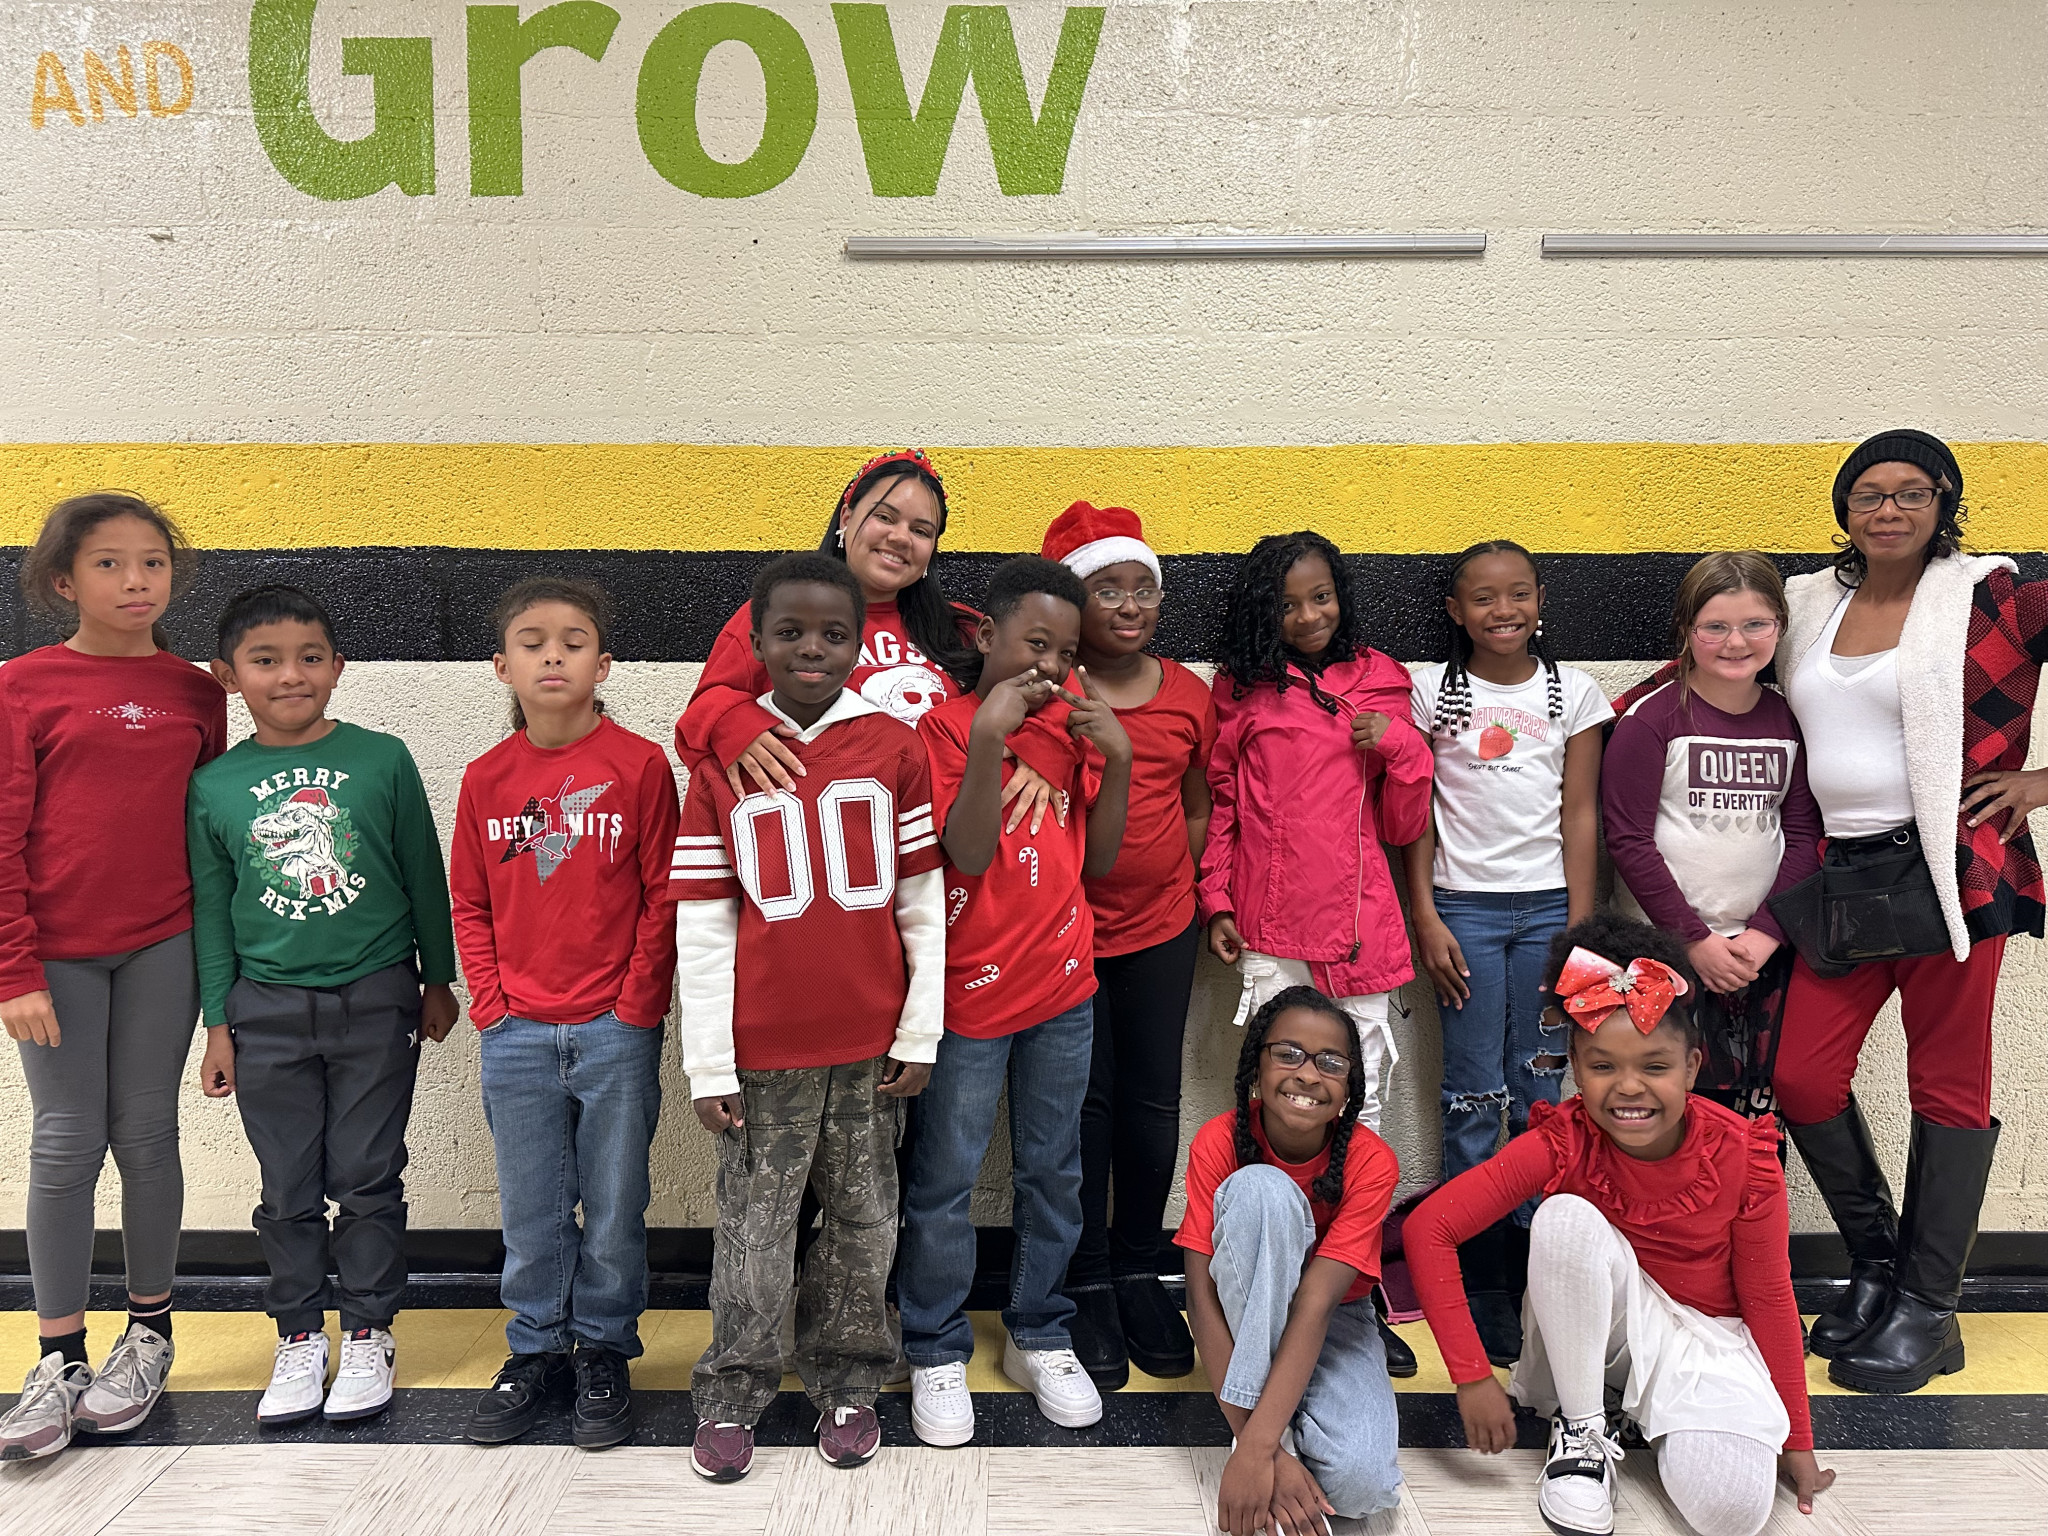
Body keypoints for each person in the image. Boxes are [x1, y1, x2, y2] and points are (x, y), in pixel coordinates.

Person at [1406, 915, 1834, 1536]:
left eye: (1655, 1067)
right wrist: (1471, 1375)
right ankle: (1583, 1428)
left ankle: (1647, 1415)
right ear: (1576, 1070)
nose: (1629, 1088)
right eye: (1603, 1066)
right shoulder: (1564, 1138)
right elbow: (1429, 1228)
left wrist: (1797, 1435)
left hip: (1703, 1338)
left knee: (1732, 1512)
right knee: (1564, 1219)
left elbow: (1768, 1294)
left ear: (1691, 1067)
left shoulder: (1742, 1152)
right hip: (1595, 1333)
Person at [1772, 430, 2047, 1394]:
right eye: (1868, 494)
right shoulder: (1807, 601)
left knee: (1947, 1085)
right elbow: (1716, 665)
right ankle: (1881, 1265)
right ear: (1843, 508)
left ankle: (1930, 1309)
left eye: (1912, 492)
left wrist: (2041, 782)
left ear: (1945, 502)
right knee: (1800, 1074)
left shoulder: (1994, 594)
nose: (1888, 510)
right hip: (1840, 881)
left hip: (1952, 875)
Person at [672, 553, 944, 1481]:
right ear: (756, 643)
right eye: (790, 632)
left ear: (860, 642)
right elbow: (705, 922)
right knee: (756, 1232)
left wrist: (919, 1030)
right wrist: (709, 1063)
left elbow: (920, 902)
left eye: (833, 633)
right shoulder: (724, 762)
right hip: (763, 1055)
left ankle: (850, 1379)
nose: (812, 649)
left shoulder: (894, 747)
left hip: (870, 1049)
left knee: (865, 1226)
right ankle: (733, 1389)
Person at [185, 585, 459, 1426]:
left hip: (377, 998)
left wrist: (438, 977)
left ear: (338, 667)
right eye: (266, 661)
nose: (290, 676)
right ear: (228, 676)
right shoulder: (214, 786)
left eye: (309, 658)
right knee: (288, 1186)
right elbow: (211, 910)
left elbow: (422, 870)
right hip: (264, 1013)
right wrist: (218, 1024)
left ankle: (369, 1330)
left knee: (368, 1175)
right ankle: (300, 1334)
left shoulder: (383, 759)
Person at [0, 493, 226, 1461]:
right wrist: (14, 968)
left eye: (153, 563)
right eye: (109, 564)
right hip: (55, 954)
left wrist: (221, 988)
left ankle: (149, 1336)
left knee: (146, 1133)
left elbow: (212, 834)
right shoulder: (22, 686)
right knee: (64, 1142)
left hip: (162, 944)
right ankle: (58, 1356)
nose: (136, 580)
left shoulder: (197, 694)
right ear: (63, 581)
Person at [899, 556, 1133, 1447]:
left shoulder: (1073, 732)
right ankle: (933, 1342)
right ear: (987, 635)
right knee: (945, 1177)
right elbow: (964, 853)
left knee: (1054, 1170)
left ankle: (1041, 1328)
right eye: (1037, 644)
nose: (1053, 665)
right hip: (967, 994)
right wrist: (991, 742)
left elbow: (1099, 862)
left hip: (1064, 988)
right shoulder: (944, 728)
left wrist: (1118, 759)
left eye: (1068, 652)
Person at [451, 578, 679, 1450]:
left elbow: (662, 895)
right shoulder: (486, 778)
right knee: (532, 1208)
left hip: (615, 1031)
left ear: (603, 664)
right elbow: (470, 901)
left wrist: (635, 1005)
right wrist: (492, 1005)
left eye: (574, 641)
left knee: (615, 1206)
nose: (554, 655)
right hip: (516, 1032)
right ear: (501, 666)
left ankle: (604, 1351)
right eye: (533, 642)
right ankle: (536, 1350)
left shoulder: (640, 767)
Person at [1404, 539, 1611, 1366]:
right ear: (1455, 611)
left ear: (1541, 599)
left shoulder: (1576, 693)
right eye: (1483, 597)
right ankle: (1477, 1271)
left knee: (1541, 1087)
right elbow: (1415, 810)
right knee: (1471, 1093)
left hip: (1550, 913)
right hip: (1464, 912)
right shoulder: (1430, 692)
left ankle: (1536, 1266)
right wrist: (1426, 913)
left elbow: (1581, 814)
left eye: (1518, 593)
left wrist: (1579, 931)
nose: (1503, 610)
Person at [1039, 501, 1215, 1391]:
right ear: (1074, 602)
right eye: (1107, 588)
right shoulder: (1051, 694)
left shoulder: (1188, 696)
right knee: (1084, 1106)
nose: (1130, 604)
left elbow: (1197, 803)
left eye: (1143, 587)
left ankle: (1141, 1268)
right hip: (1065, 934)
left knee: (1151, 1101)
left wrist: (1186, 890)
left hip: (1163, 928)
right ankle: (1088, 1275)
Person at [674, 448, 1056, 827]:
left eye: (921, 531)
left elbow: (1054, 681)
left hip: (946, 845)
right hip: (831, 840)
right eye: (885, 517)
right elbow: (706, 707)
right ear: (847, 517)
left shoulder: (965, 629)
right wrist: (739, 730)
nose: (900, 537)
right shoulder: (780, 613)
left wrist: (1044, 752)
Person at [1200, 531, 1432, 1134]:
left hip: (1360, 922)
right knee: (1278, 1098)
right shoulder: (1241, 688)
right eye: (1286, 604)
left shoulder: (1382, 681)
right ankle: (1279, 1200)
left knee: (1361, 1096)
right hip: (1269, 923)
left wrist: (1404, 748)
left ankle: (1357, 1202)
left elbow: (1402, 825)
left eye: (1320, 597)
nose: (1308, 617)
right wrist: (1216, 900)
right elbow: (1226, 805)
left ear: (1340, 595)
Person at [1176, 986, 1405, 1536]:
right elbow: (1200, 1298)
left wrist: (1257, 1451)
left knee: (1362, 1488)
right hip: (1241, 1305)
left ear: (1349, 1088)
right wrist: (1264, 1450)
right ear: (1256, 1067)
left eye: (1331, 1063)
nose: (1308, 1075)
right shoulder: (1218, 1140)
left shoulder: (1373, 1162)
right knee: (1262, 1189)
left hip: (1334, 1318)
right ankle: (1273, 1421)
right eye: (1288, 1054)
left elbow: (1317, 1304)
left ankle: (1274, 1412)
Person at [1604, 551, 1821, 1125]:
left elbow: (1804, 835)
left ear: (1780, 626)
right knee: (1673, 1105)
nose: (1736, 642)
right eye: (1715, 627)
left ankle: (1752, 1189)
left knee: (1757, 1112)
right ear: (1686, 629)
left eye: (1755, 624)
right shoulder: (1652, 721)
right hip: (1663, 953)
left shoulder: (1789, 721)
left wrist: (1766, 934)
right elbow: (1628, 841)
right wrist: (1694, 940)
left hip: (1760, 954)